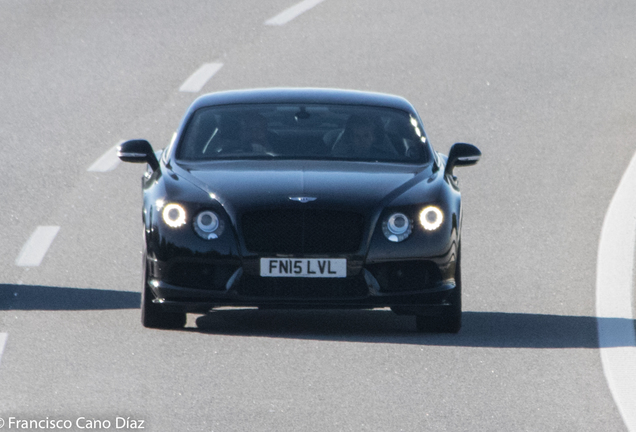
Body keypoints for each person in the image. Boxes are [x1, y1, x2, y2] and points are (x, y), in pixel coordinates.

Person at [332, 114, 398, 159]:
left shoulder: (386, 158)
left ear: (374, 138)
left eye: (366, 136)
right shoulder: (340, 158)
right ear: (351, 138)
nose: (361, 140)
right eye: (357, 136)